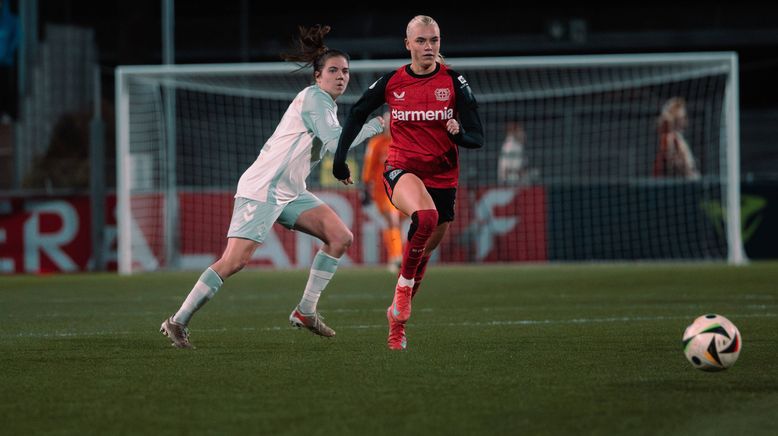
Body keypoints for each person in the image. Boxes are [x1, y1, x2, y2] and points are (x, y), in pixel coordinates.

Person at [160, 25, 384, 349]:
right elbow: (337, 143)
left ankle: (306, 311)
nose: (341, 76)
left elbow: (332, 144)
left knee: (340, 237)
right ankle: (177, 321)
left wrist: (340, 166)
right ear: (318, 76)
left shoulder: (324, 104)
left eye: (346, 71)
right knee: (234, 261)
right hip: (264, 188)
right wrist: (377, 125)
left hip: (290, 191)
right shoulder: (315, 99)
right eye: (333, 70)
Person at [333, 15, 484, 350]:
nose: (428, 47)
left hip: (443, 175)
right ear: (408, 45)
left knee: (424, 251)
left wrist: (460, 135)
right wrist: (341, 158)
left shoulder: (454, 82)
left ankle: (396, 322)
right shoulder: (393, 82)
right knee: (425, 219)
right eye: (421, 41)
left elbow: (478, 136)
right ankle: (402, 291)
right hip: (401, 170)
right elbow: (357, 112)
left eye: (434, 40)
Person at [361, 111, 404, 272]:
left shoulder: (404, 142)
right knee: (392, 221)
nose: (390, 123)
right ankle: (397, 257)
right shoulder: (376, 143)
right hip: (383, 190)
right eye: (388, 121)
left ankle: (396, 257)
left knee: (397, 224)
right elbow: (369, 167)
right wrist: (365, 188)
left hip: (403, 189)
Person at [652, 97, 700, 180]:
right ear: (675, 119)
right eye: (683, 117)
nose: (686, 121)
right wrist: (688, 169)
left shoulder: (677, 138)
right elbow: (671, 164)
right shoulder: (669, 138)